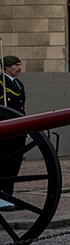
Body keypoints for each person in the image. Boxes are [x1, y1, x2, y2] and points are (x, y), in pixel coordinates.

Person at [0, 56, 25, 210]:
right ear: (6, 67)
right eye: (16, 65)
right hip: (5, 130)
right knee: (3, 163)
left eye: (20, 65)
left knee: (14, 165)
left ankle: (8, 195)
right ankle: (1, 197)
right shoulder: (1, 83)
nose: (19, 68)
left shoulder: (18, 84)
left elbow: (20, 108)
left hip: (18, 129)